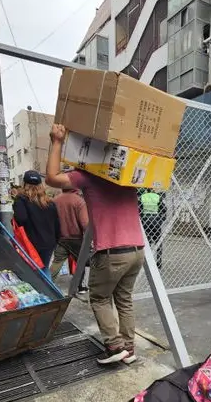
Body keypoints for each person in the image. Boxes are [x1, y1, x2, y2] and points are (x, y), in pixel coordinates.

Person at [44, 124, 144, 365]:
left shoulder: (89, 175)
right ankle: (129, 349)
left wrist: (57, 141)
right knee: (124, 299)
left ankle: (113, 345)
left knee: (99, 298)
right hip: (137, 250)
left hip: (112, 252)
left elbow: (52, 178)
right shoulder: (126, 175)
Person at [12, 170, 60, 275]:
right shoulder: (49, 202)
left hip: (30, 242)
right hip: (49, 242)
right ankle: (49, 291)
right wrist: (56, 241)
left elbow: (21, 219)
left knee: (31, 272)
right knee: (44, 269)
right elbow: (57, 224)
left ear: (24, 183)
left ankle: (39, 291)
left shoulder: (21, 199)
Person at [49, 187, 89, 293]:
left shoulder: (55, 200)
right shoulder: (79, 201)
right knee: (80, 263)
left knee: (57, 262)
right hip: (76, 238)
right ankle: (80, 286)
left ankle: (48, 282)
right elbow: (85, 223)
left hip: (60, 237)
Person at [138, 188, 166, 268]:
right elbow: (164, 209)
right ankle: (159, 261)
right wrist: (161, 220)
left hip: (145, 221)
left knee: (147, 242)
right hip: (156, 221)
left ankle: (146, 261)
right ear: (153, 189)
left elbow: (139, 210)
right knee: (158, 241)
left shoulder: (142, 197)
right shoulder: (157, 197)